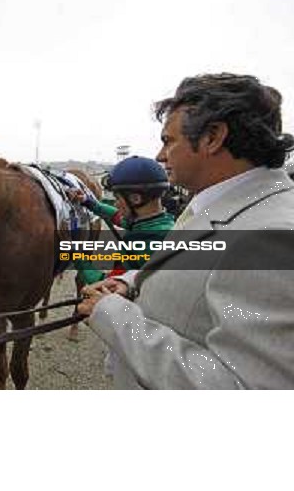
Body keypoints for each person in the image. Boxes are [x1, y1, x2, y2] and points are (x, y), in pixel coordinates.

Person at [77, 73, 294, 389]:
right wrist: (128, 283)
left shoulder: (268, 238)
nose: (160, 155)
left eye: (168, 140)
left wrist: (113, 315)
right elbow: (188, 269)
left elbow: (239, 388)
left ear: (212, 138)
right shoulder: (223, 206)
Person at [66, 156, 174, 341]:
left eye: (117, 198)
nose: (115, 204)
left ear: (135, 198)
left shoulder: (145, 242)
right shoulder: (159, 223)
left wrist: (77, 255)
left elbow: (106, 285)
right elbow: (117, 217)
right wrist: (88, 202)